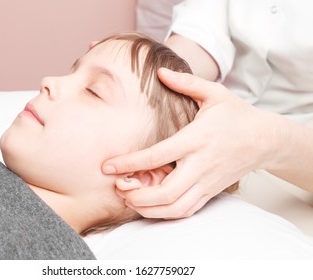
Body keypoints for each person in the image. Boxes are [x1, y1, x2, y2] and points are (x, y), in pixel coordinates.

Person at [0, 32, 235, 259]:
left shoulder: (51, 259)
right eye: (73, 71)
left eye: (94, 91)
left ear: (141, 173)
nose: (49, 80)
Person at [101, 0, 313, 219]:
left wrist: (266, 139)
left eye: (93, 92)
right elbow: (200, 37)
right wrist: (143, 72)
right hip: (211, 115)